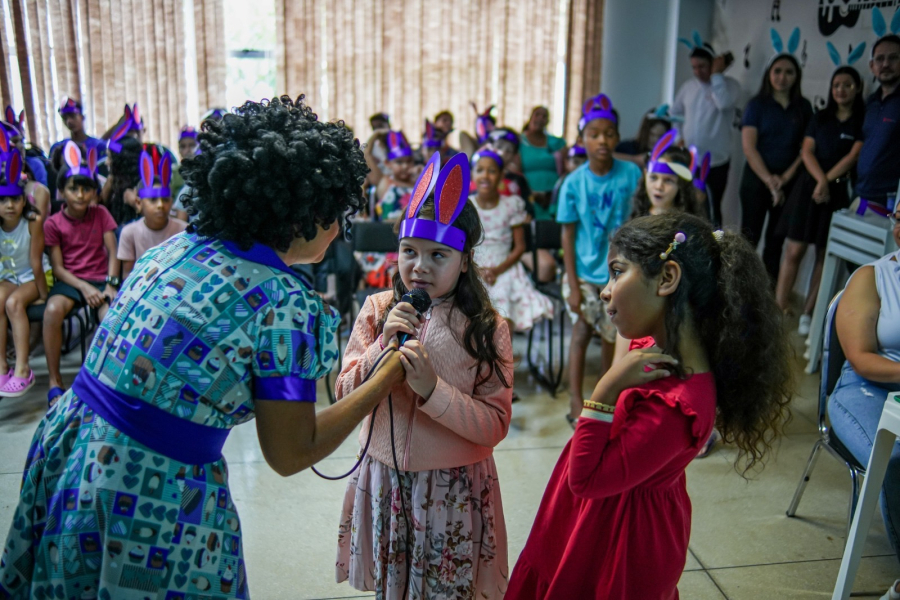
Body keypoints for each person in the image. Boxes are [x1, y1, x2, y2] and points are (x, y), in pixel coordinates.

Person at [0, 95, 406, 598]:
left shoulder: (173, 248)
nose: (340, 230)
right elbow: (290, 451)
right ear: (307, 213)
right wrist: (383, 378)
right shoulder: (283, 303)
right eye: (338, 215)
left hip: (70, 446)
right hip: (145, 485)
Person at [506, 212, 792, 599]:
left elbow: (586, 480)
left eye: (617, 272)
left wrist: (605, 389)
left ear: (668, 279)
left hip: (620, 539)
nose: (606, 290)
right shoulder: (655, 353)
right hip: (597, 516)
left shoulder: (677, 406)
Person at [335, 152, 513, 599]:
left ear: (466, 261)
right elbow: (343, 392)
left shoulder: (487, 328)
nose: (420, 267)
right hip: (385, 481)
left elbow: (495, 423)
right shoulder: (376, 311)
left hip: (451, 489)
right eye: (409, 252)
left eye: (439, 255)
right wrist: (380, 348)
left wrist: (434, 391)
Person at [557, 94, 641, 427]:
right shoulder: (573, 183)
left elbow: (639, 219)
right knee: (580, 331)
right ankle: (575, 399)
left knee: (612, 335)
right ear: (582, 140)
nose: (602, 140)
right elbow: (567, 236)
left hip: (618, 273)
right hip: (583, 274)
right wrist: (574, 285)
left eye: (609, 133)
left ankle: (602, 397)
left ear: (617, 138)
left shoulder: (631, 174)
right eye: (594, 134)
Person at [829, 208, 900, 600]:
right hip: (865, 389)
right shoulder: (874, 277)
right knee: (895, 458)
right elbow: (861, 357)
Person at [775, 66, 864, 333]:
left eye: (847, 85)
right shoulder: (820, 117)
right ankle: (779, 305)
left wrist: (827, 181)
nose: (841, 90)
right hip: (808, 188)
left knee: (824, 253)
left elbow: (852, 157)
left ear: (857, 88)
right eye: (836, 85)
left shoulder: (860, 121)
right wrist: (820, 180)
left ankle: (808, 312)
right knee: (794, 250)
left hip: (836, 193)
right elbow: (807, 151)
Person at [43, 147, 118, 406]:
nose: (81, 194)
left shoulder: (101, 214)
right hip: (71, 281)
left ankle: (105, 381)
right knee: (52, 311)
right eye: (74, 189)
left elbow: (112, 252)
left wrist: (111, 284)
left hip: (100, 279)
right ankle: (54, 381)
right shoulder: (53, 223)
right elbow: (58, 268)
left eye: (86, 188)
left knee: (110, 316)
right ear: (61, 191)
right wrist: (84, 288)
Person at [740, 52, 813, 282]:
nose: (782, 77)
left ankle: (766, 292)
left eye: (789, 72)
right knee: (747, 239)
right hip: (756, 181)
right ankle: (740, 289)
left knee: (775, 241)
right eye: (777, 71)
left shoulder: (803, 107)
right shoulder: (757, 105)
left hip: (788, 183)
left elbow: (806, 150)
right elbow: (749, 148)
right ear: (769, 74)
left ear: (796, 76)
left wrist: (783, 179)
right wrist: (770, 181)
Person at [471, 147, 553, 331]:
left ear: (501, 176)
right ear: (472, 174)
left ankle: (504, 357)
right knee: (472, 313)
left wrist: (497, 270)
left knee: (502, 316)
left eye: (492, 171)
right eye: (480, 170)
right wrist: (476, 270)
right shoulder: (468, 206)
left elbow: (519, 247)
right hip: (474, 266)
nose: (485, 175)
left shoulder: (511, 205)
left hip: (504, 266)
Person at [0, 138, 50, 398]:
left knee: (13, 305)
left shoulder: (33, 220)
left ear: (24, 200)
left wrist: (42, 293)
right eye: (3, 200)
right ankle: (2, 366)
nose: (10, 205)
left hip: (34, 276)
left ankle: (23, 369)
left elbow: (35, 261)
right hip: (9, 276)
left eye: (15, 199)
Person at [671, 42, 741, 226]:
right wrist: (678, 137)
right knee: (686, 204)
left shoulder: (730, 86)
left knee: (711, 207)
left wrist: (717, 75)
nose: (697, 72)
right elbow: (674, 114)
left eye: (702, 66)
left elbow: (723, 103)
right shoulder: (688, 87)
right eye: (694, 67)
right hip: (690, 159)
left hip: (717, 161)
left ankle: (714, 247)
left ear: (713, 63)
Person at [117, 149, 187, 281]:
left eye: (165, 200)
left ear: (172, 202)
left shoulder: (184, 231)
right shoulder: (129, 233)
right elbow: (127, 276)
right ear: (138, 203)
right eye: (153, 200)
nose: (160, 205)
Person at [856, 33, 900, 209]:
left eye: (893, 58)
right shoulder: (870, 102)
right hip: (861, 193)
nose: (886, 64)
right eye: (880, 59)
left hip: (891, 199)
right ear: (872, 66)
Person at [630, 129, 704, 219]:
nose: (659, 186)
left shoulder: (688, 224)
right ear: (645, 175)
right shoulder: (636, 219)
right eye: (653, 178)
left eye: (668, 180)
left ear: (681, 184)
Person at [519, 106, 566, 203]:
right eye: (537, 115)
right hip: (527, 196)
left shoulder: (556, 142)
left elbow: (567, 166)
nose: (540, 118)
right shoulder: (519, 141)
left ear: (547, 121)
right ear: (530, 117)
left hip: (553, 198)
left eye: (544, 116)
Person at [375, 130, 417, 221]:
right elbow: (367, 154)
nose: (405, 166)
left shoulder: (418, 182)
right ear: (387, 163)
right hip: (388, 232)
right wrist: (376, 134)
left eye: (409, 161)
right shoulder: (385, 182)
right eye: (399, 162)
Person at [48, 97, 107, 161]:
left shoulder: (98, 145)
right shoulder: (58, 148)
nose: (69, 121)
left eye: (72, 116)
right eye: (65, 118)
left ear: (82, 117)